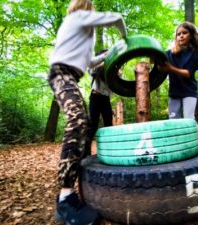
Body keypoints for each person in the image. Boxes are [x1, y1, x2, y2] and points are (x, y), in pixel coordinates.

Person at [47, 0, 127, 224]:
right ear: (85, 7)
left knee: (82, 125)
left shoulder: (81, 32)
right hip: (60, 74)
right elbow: (118, 19)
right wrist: (125, 39)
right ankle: (65, 199)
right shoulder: (78, 18)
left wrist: (108, 53)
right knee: (78, 122)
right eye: (90, 7)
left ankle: (70, 190)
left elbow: (89, 61)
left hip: (69, 76)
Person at [160, 22, 198, 143]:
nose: (181, 36)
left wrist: (170, 68)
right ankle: (178, 145)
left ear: (191, 35)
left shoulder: (193, 54)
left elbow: (188, 73)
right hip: (174, 92)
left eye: (184, 33)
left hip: (189, 91)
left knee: (189, 119)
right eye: (178, 34)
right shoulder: (169, 54)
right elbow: (156, 60)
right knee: (173, 120)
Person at [88, 49, 113, 140]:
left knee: (109, 124)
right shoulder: (96, 67)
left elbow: (116, 84)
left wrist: (118, 73)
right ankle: (86, 151)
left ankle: (109, 149)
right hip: (95, 97)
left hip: (106, 99)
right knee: (93, 124)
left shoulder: (111, 69)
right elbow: (90, 70)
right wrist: (103, 61)